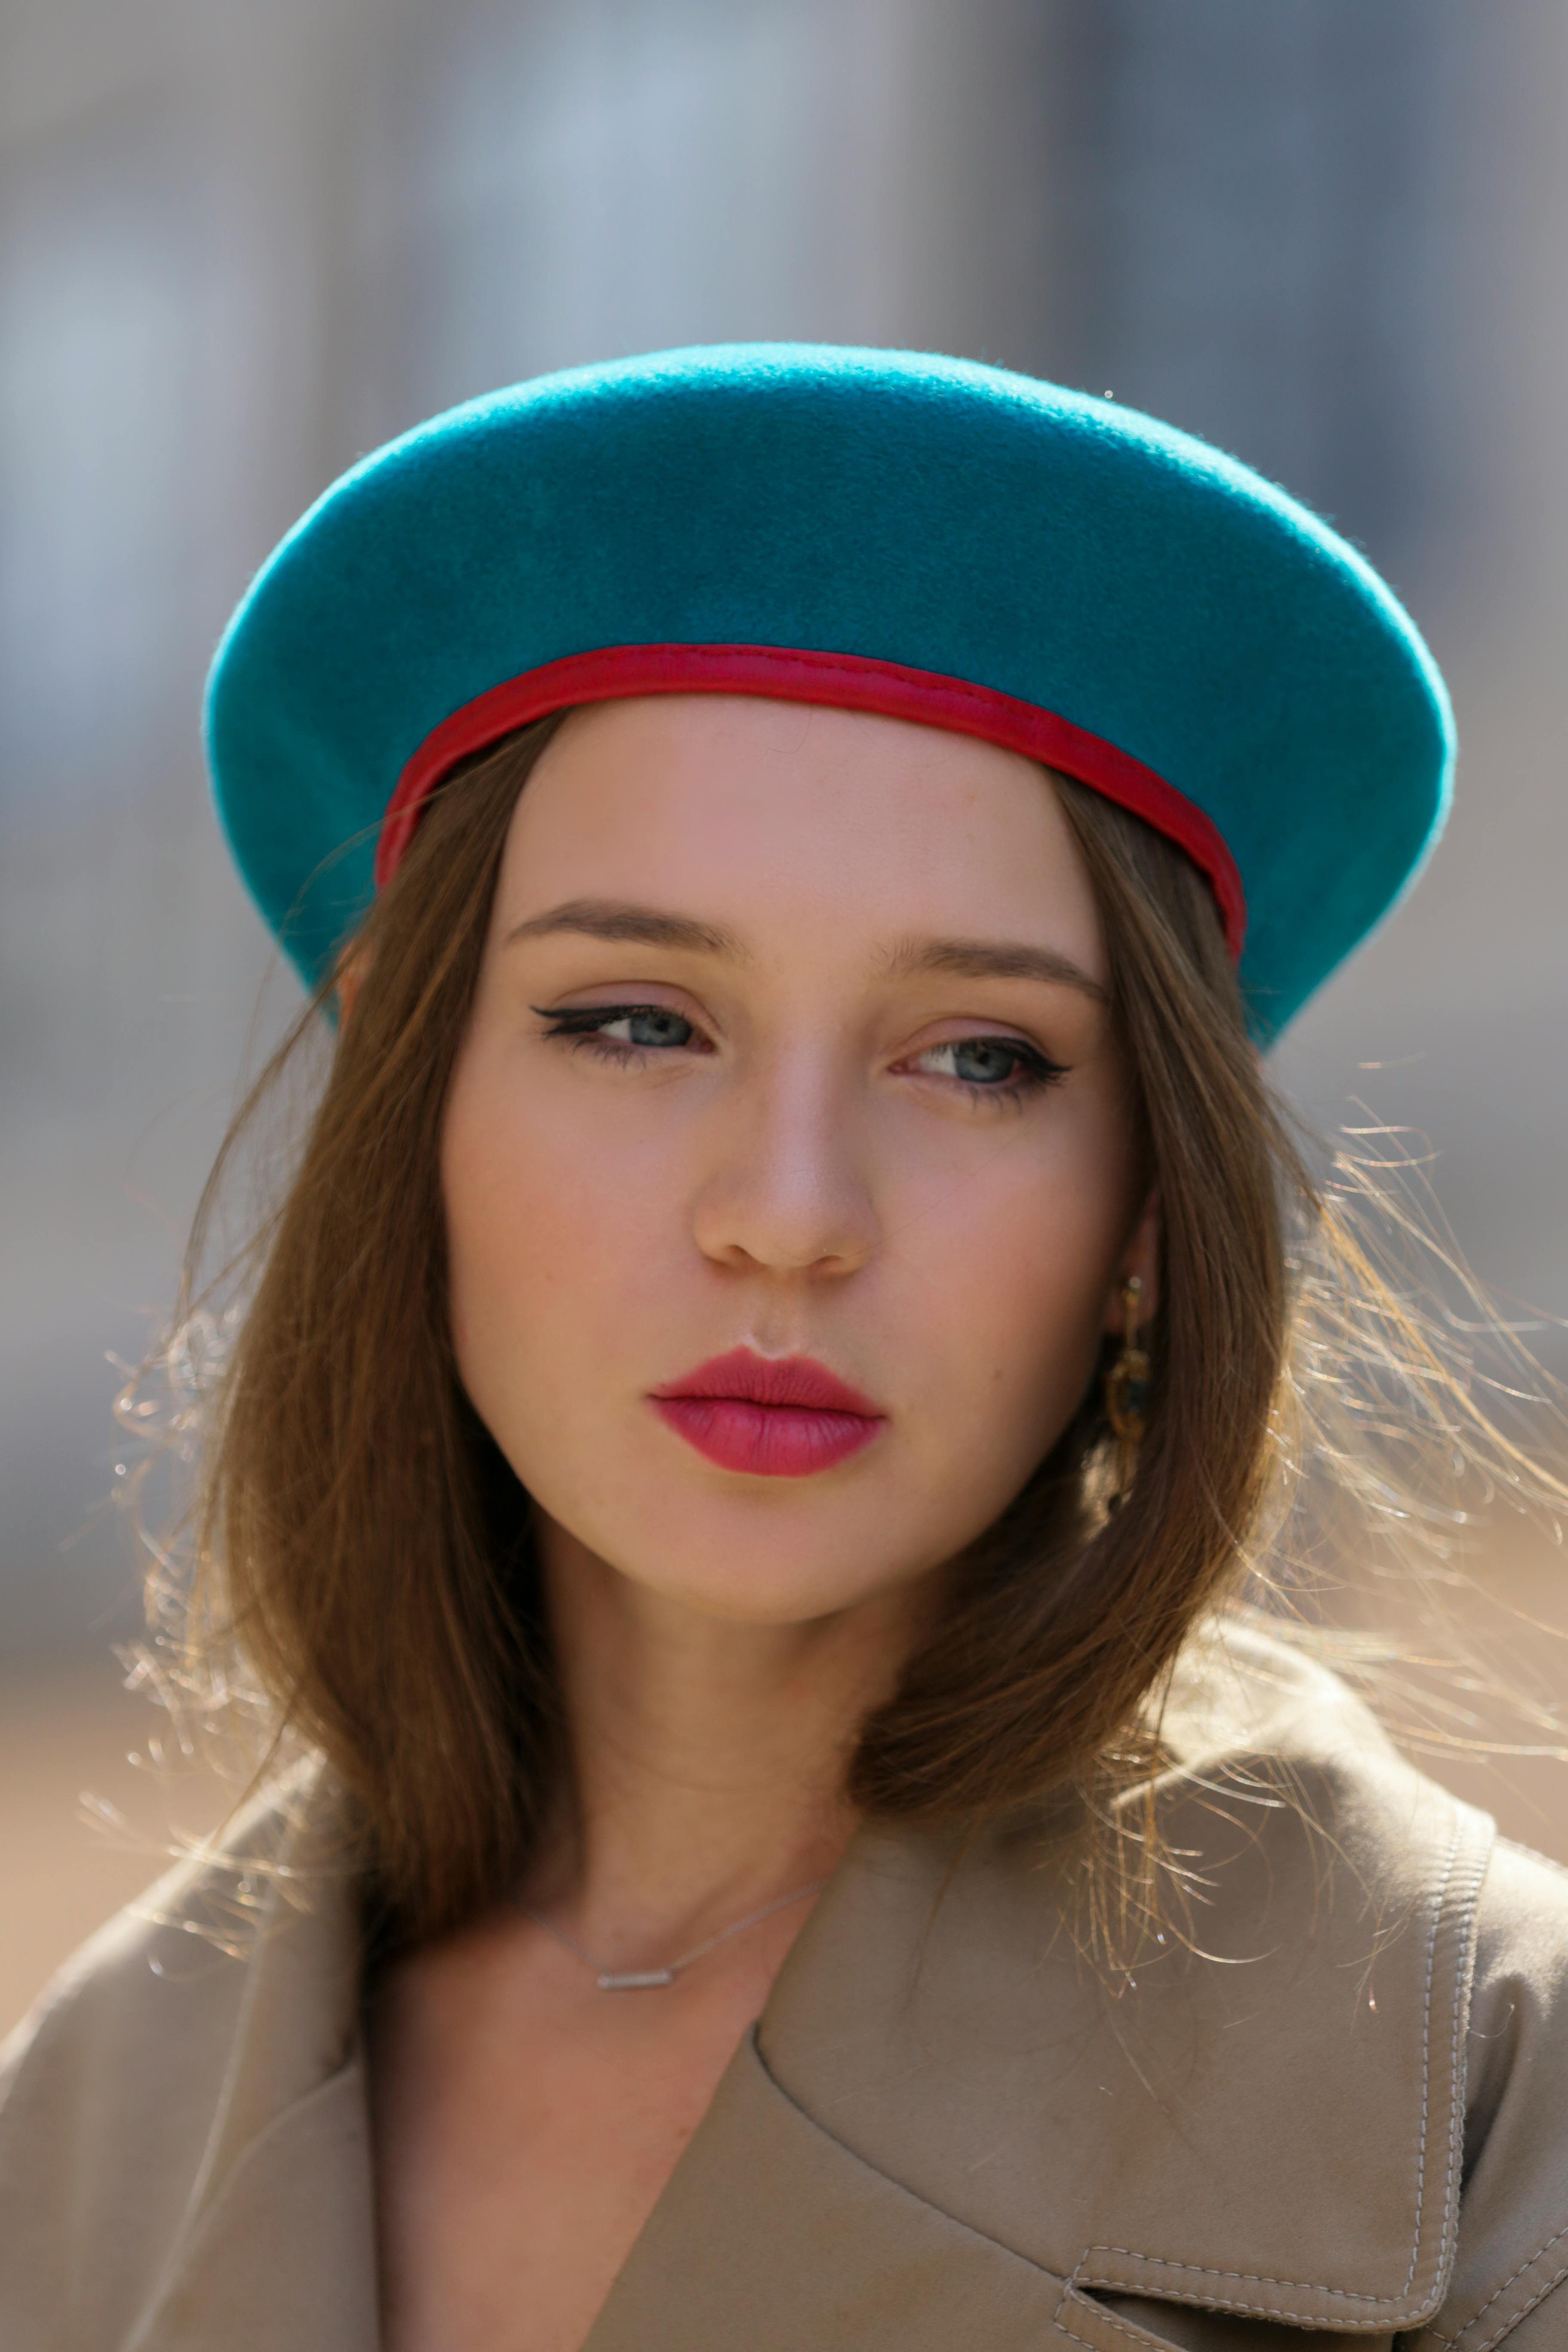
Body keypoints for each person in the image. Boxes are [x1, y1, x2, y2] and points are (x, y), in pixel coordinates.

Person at [2, 345, 1566, 2352]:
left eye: (982, 1059)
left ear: (1151, 1217)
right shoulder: (87, 2124)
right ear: (416, 1081)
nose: (794, 1210)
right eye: (636, 1021)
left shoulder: (1484, 2119)